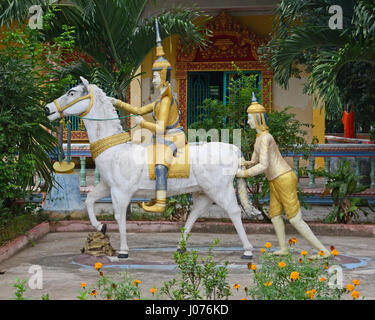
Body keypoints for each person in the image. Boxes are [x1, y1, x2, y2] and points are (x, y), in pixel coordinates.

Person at [236, 93, 331, 258]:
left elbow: (263, 165)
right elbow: (255, 160)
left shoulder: (266, 138)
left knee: (294, 219)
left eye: (250, 118)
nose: (248, 121)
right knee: (275, 214)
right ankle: (283, 248)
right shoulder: (259, 139)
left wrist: (244, 173)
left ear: (258, 119)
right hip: (275, 179)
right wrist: (244, 163)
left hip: (283, 177)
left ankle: (324, 251)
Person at [109, 19, 185, 213]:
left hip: (174, 136)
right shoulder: (159, 100)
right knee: (149, 161)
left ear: (165, 77)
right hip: (163, 137)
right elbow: (139, 110)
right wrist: (117, 103)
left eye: (157, 76)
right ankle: (153, 195)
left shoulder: (167, 100)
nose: (154, 78)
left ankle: (161, 202)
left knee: (160, 165)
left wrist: (143, 124)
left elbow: (159, 128)